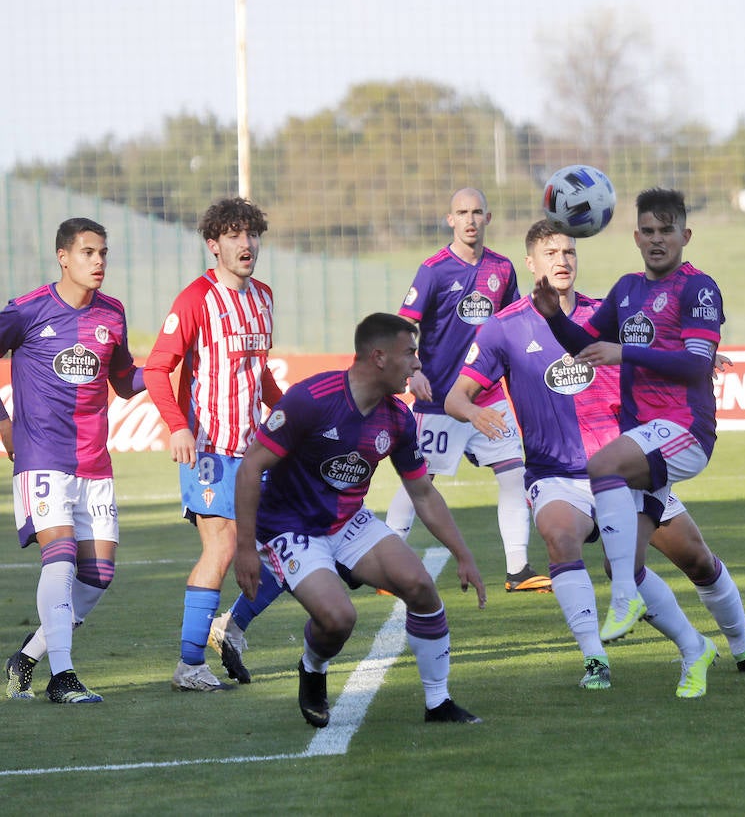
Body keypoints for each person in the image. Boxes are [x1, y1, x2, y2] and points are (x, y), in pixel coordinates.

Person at [448, 221, 745, 695]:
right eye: (550, 253)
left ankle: (744, 647)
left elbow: (665, 349)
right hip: (556, 475)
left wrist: (703, 359)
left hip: (627, 469)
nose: (561, 260)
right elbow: (457, 396)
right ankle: (595, 658)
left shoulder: (609, 312)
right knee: (561, 540)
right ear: (530, 263)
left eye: (568, 251)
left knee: (697, 561)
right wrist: (474, 414)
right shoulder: (503, 327)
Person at [232, 313, 486, 727]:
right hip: (289, 528)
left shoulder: (398, 419)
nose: (417, 364)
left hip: (349, 521)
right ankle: (312, 668)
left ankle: (438, 703)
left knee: (421, 587)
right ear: (379, 357)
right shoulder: (310, 399)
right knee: (339, 619)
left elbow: (422, 491)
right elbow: (250, 468)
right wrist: (244, 548)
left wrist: (463, 554)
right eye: (410, 354)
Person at [531, 187, 723, 649]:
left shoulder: (699, 287)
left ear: (685, 235)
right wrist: (555, 317)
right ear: (636, 236)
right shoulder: (627, 289)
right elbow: (584, 344)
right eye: (649, 231)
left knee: (601, 465)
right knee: (624, 562)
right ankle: (703, 649)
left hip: (685, 429)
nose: (658, 240)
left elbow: (698, 363)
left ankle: (622, 602)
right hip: (645, 435)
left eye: (667, 231)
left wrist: (625, 352)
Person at [2, 218, 144, 704]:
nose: (98, 262)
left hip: (94, 464)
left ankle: (27, 657)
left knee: (98, 575)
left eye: (103, 252)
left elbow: (125, 381)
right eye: (88, 253)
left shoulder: (113, 312)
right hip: (42, 456)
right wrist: (4, 424)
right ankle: (62, 677)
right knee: (60, 556)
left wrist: (171, 372)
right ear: (63, 257)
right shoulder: (27, 310)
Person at [145, 197, 284, 691]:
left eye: (251, 234)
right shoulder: (195, 298)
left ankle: (232, 625)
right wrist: (177, 426)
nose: (245, 244)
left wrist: (292, 415)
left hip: (257, 448)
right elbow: (156, 368)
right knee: (222, 545)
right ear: (213, 245)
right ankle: (189, 665)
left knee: (294, 544)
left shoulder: (263, 296)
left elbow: (258, 370)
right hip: (209, 449)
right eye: (233, 235)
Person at [389, 188, 548, 593]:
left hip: (489, 395)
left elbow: (514, 324)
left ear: (488, 218)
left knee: (514, 474)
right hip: (440, 397)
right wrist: (414, 371)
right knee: (419, 482)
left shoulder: (503, 268)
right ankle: (387, 565)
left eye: (477, 212)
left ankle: (518, 570)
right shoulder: (434, 269)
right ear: (450, 219)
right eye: (462, 212)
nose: (470, 219)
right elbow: (403, 326)